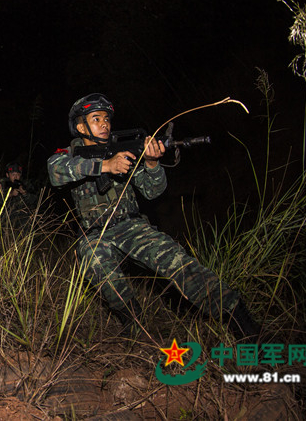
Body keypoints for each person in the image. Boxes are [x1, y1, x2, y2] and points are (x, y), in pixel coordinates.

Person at [47, 93, 260, 340]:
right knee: (94, 260)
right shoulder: (69, 154)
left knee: (177, 262)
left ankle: (243, 324)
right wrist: (105, 165)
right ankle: (135, 327)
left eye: (107, 118)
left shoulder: (122, 152)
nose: (104, 124)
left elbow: (152, 191)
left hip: (131, 226)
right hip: (95, 234)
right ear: (81, 126)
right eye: (96, 119)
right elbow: (56, 172)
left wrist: (151, 164)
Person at [0, 161, 38, 227]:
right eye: (13, 175)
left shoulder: (26, 184)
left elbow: (34, 200)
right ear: (7, 175)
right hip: (6, 217)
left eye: (18, 175)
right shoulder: (2, 184)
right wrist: (10, 194)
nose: (16, 177)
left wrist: (24, 193)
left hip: (22, 217)